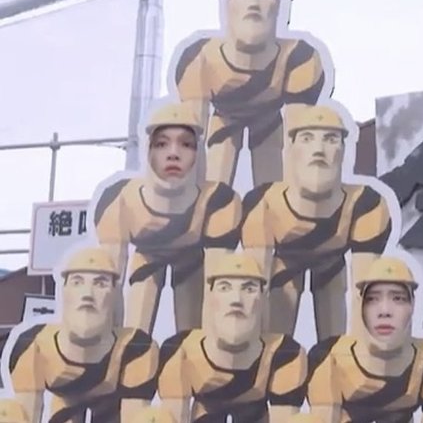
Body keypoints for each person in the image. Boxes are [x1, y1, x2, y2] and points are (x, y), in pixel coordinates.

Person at [241, 103, 393, 341]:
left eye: (331, 139)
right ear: (292, 147)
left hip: (332, 265)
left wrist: (359, 353)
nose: (319, 149)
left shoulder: (366, 204)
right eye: (307, 138)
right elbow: (255, 286)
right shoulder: (262, 203)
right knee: (272, 335)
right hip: (284, 265)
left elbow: (363, 292)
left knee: (336, 299)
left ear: (343, 149)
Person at [174, 0, 330, 187]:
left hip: (269, 121)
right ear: (228, 3)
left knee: (273, 174)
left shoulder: (300, 58)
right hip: (224, 118)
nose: (254, 3)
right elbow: (191, 136)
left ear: (278, 4)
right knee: (214, 174)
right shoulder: (198, 58)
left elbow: (297, 140)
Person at [94, 102, 242, 333]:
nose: (173, 153)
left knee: (194, 335)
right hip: (145, 258)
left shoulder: (219, 201)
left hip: (192, 261)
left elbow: (217, 287)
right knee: (134, 331)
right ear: (148, 150)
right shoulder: (118, 200)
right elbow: (110, 285)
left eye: (186, 144)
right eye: (162, 144)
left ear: (198, 153)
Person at [3, 248, 159, 423]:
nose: (87, 294)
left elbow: (135, 415)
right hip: (64, 400)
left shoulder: (137, 348)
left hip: (111, 405)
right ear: (64, 290)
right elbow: (26, 414)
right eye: (77, 282)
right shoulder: (33, 346)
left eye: (100, 284)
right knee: (8, 413)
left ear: (115, 295)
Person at [307, 256, 423, 423]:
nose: (385, 311)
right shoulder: (328, 357)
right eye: (373, 299)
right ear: (361, 305)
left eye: (398, 298)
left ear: (412, 305)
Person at [157, 253, 307, 423]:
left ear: (263, 300)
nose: (236, 300)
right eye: (224, 288)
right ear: (210, 297)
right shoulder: (178, 351)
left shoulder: (285, 354)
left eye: (249, 289)